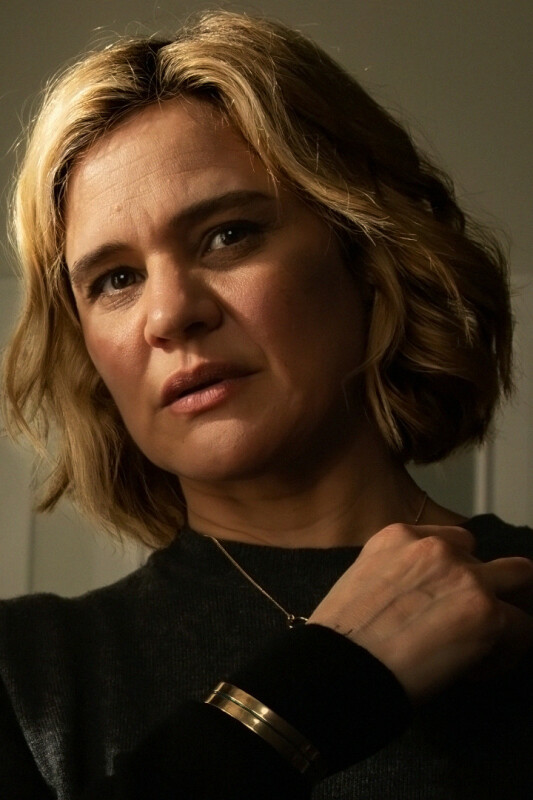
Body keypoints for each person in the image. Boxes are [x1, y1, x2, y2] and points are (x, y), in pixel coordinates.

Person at [1, 10, 532, 799]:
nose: (169, 314)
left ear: (366, 253)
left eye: (227, 235)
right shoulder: (27, 677)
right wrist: (323, 683)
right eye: (115, 279)